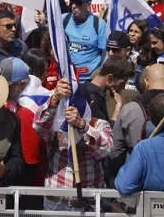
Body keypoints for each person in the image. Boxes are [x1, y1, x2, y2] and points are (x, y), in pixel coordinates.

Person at [34, 78, 113, 209]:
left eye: (79, 105)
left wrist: (82, 126)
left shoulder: (99, 125)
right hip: (57, 203)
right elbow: (39, 127)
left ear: (90, 104)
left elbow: (104, 149)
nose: (73, 110)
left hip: (89, 204)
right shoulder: (56, 125)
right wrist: (54, 100)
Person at [0, 58, 45, 185]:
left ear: (22, 84)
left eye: (6, 86)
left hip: (34, 182)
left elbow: (29, 161)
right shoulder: (38, 92)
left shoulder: (26, 111)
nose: (1, 90)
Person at [62, 0, 108, 82]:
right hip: (68, 78)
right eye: (72, 1)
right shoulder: (63, 19)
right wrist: (42, 23)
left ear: (88, 5)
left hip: (90, 79)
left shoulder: (99, 24)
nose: (73, 6)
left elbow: (104, 53)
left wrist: (100, 77)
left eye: (78, 2)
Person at [82, 56, 135, 122]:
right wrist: (118, 107)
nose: (123, 88)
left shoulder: (87, 90)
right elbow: (103, 128)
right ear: (109, 78)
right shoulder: (92, 100)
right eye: (122, 83)